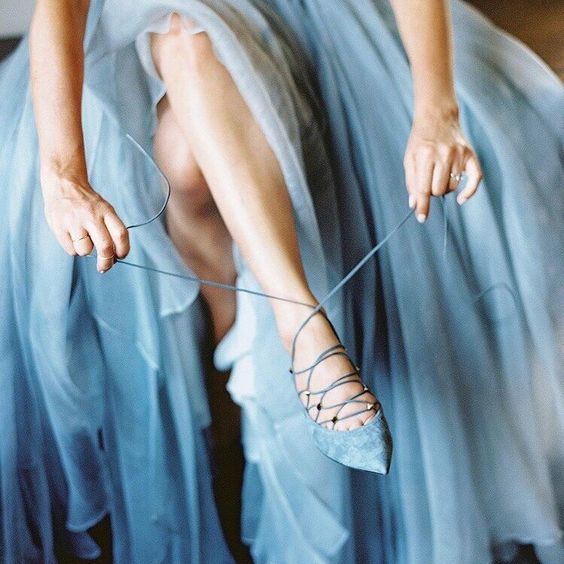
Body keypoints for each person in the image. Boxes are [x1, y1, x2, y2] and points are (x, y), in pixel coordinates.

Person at [0, 1, 561, 563]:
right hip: (124, 44)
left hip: (296, 20)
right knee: (182, 54)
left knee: (188, 115)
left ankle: (266, 350)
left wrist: (437, 112)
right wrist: (64, 173)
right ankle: (292, 331)